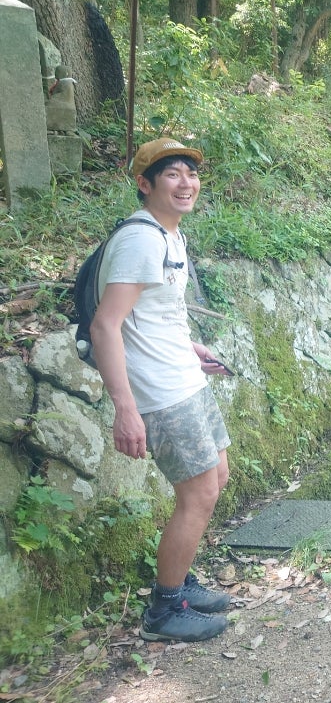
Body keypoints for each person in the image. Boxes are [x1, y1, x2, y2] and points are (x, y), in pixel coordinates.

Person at [90, 137, 234, 642]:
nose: (186, 183)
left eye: (191, 174)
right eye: (172, 174)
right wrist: (125, 408)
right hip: (160, 393)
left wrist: (192, 349)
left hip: (184, 378)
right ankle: (165, 610)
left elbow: (154, 315)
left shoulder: (170, 234)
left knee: (216, 476)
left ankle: (180, 582)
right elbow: (106, 325)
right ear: (145, 184)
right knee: (199, 493)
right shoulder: (141, 240)